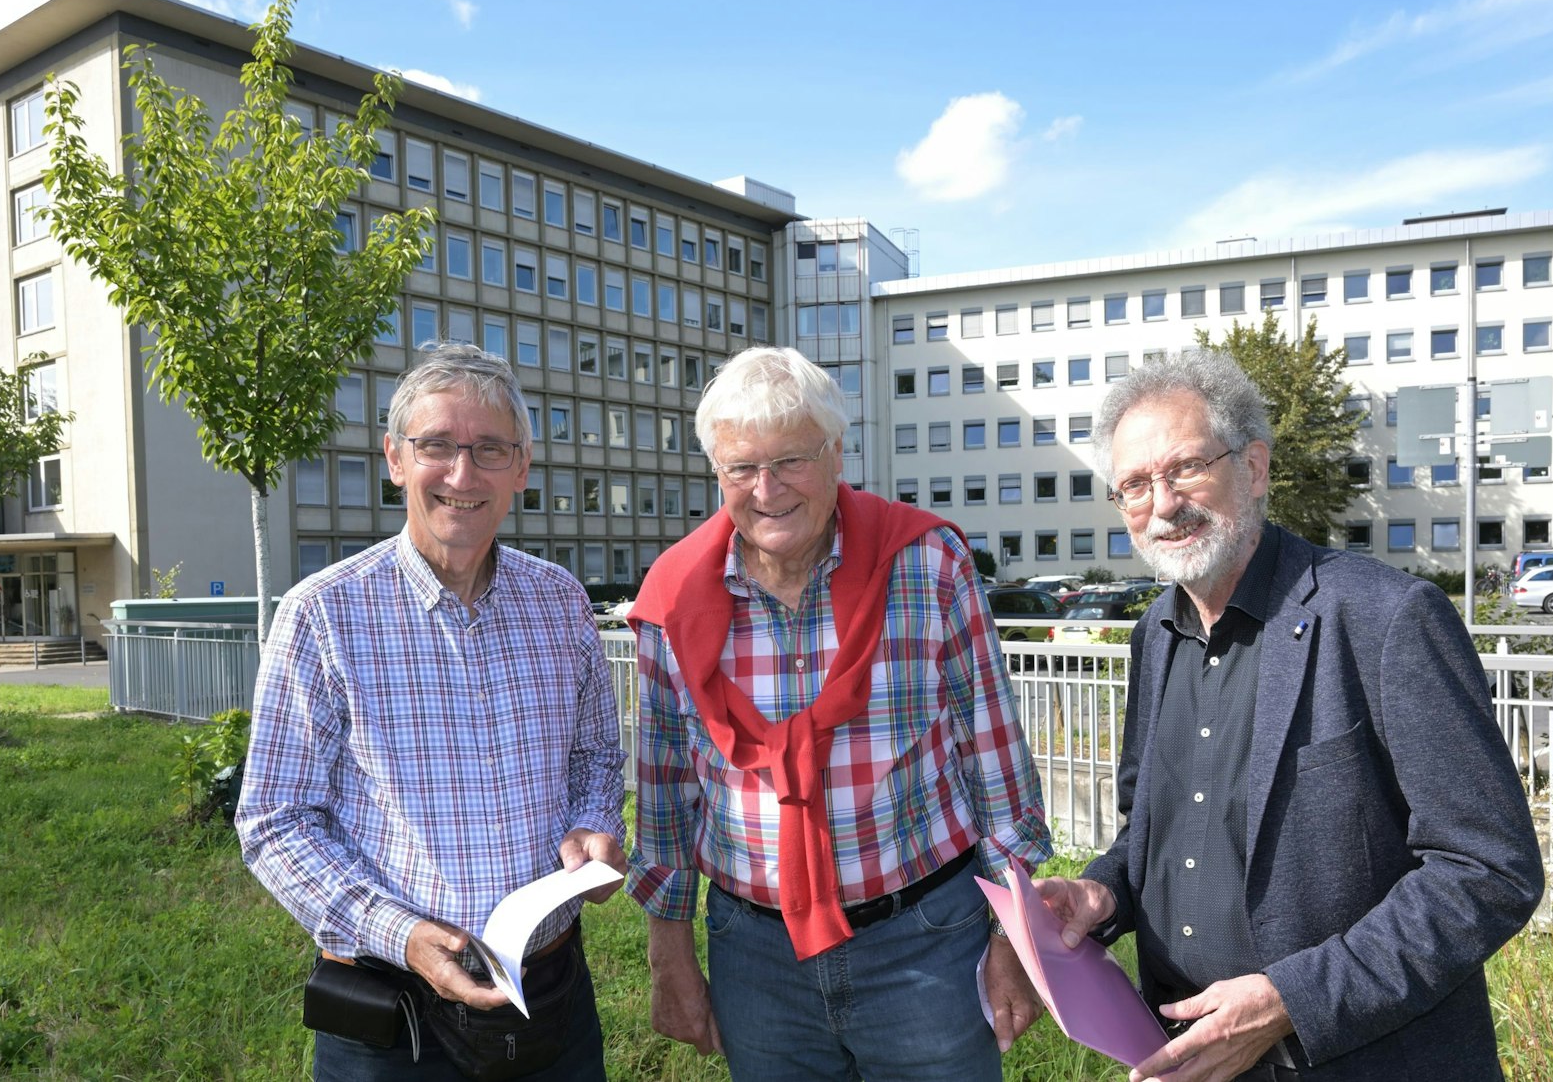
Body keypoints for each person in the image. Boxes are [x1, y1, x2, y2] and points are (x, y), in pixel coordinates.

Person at [1035, 352, 1543, 1082]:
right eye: (1135, 485)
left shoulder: (1385, 618)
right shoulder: (1155, 636)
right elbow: (1152, 833)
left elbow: (1490, 869)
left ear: (1256, 467)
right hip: (1187, 1059)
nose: (1163, 502)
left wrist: (1292, 1002)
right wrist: (1102, 892)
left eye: (1185, 468)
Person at [625, 346, 1053, 1082]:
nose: (766, 489)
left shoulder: (928, 564)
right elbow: (667, 797)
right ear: (717, 473)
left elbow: (997, 767)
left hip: (925, 942)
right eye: (740, 468)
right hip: (754, 957)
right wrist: (670, 955)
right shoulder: (670, 598)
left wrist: (1018, 943)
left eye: (790, 459)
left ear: (835, 452)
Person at [237, 343, 627, 1081]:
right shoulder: (324, 614)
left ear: (523, 467)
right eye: (437, 445)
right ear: (394, 457)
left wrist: (596, 825)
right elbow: (273, 820)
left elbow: (595, 759)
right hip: (393, 1014)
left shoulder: (560, 602)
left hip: (551, 998)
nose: (461, 473)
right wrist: (403, 932)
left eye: (488, 449)